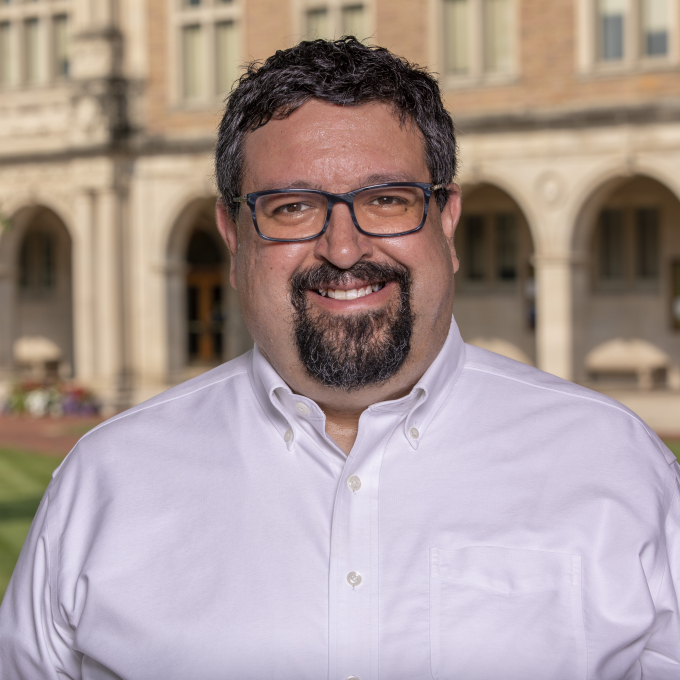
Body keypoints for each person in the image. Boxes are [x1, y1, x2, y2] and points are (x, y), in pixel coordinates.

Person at [1, 37, 679, 680]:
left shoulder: (615, 465)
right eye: (293, 207)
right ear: (234, 236)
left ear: (446, 221)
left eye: (386, 200)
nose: (345, 248)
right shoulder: (104, 483)